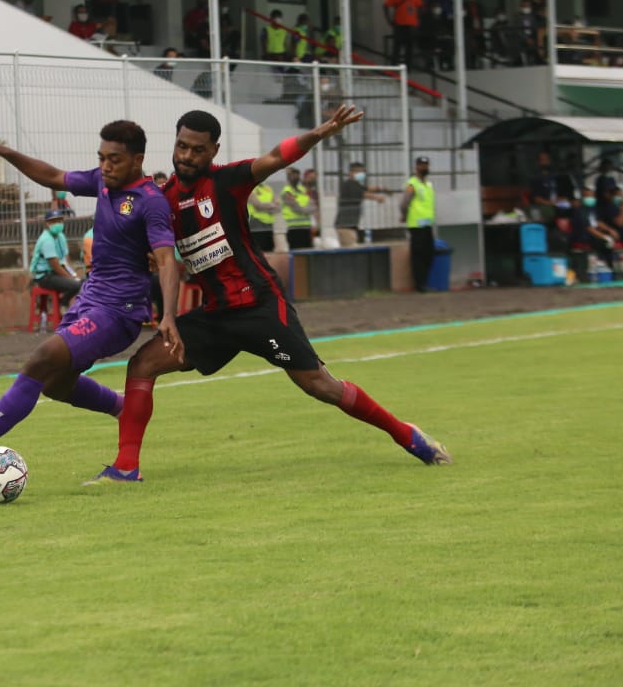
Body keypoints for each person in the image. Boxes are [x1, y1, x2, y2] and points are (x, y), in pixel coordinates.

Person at [85, 106, 451, 484]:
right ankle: (126, 468)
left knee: (320, 385)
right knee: (143, 364)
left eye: (197, 149)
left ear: (213, 151)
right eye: (181, 146)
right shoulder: (162, 200)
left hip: (259, 305)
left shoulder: (228, 181)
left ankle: (406, 434)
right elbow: (151, 245)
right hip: (216, 316)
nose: (186, 156)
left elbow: (276, 157)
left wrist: (321, 132)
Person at [0, 120, 182, 471]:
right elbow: (53, 176)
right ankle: (123, 408)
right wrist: (4, 151)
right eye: (102, 158)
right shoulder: (101, 181)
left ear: (137, 159)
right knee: (54, 383)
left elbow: (167, 260)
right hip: (89, 301)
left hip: (119, 312)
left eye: (114, 159)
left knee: (42, 357)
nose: (106, 166)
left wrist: (168, 314)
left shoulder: (149, 201)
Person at [31, 209, 82, 307]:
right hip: (44, 277)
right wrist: (71, 278)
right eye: (54, 221)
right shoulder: (46, 240)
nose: (58, 224)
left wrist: (74, 275)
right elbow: (55, 266)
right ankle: (62, 303)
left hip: (55, 273)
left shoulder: (60, 236)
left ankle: (63, 302)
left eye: (60, 221)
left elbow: (66, 260)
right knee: (75, 285)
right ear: (47, 223)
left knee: (83, 282)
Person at [401, 155, 436, 292]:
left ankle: (425, 282)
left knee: (429, 254)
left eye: (426, 165)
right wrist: (404, 215)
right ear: (416, 167)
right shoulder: (412, 184)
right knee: (419, 255)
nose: (424, 167)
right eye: (421, 165)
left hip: (427, 224)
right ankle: (420, 284)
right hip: (416, 225)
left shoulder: (428, 185)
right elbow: (404, 202)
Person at [334, 162, 386, 246]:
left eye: (363, 172)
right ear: (351, 172)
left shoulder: (355, 184)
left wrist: (381, 188)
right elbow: (363, 193)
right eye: (359, 172)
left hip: (350, 225)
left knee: (349, 248)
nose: (362, 175)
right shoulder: (350, 184)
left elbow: (366, 188)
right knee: (352, 249)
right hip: (345, 225)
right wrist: (377, 197)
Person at [382, 0, 423, 66]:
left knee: (409, 48)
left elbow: (420, 7)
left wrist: (417, 19)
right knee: (397, 47)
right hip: (399, 25)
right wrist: (389, 20)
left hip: (411, 25)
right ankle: (394, 67)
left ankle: (408, 68)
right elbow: (386, 5)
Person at [280, 167, 314, 250]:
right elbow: (296, 208)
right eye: (293, 176)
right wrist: (306, 210)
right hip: (293, 228)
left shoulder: (303, 190)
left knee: (308, 253)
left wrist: (305, 209)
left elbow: (313, 206)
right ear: (289, 177)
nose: (296, 178)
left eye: (297, 175)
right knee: (297, 254)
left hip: (306, 227)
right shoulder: (287, 191)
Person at [246, 182, 278, 252]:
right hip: (257, 223)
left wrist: (266, 206)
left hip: (269, 223)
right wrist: (271, 205)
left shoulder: (268, 188)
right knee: (259, 249)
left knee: (269, 249)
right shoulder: (250, 188)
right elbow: (257, 205)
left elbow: (278, 205)